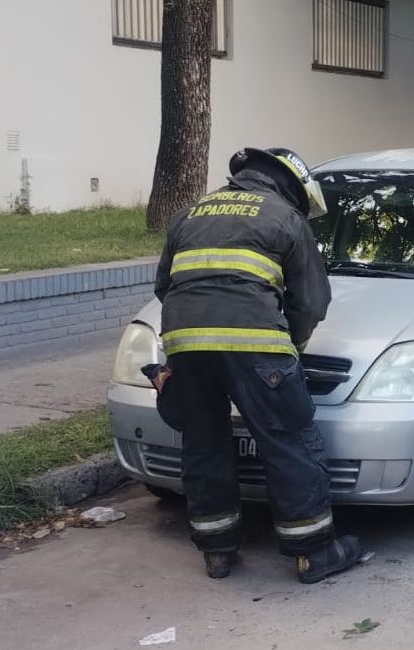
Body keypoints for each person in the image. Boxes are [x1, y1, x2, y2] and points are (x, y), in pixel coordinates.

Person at [150, 147, 366, 582]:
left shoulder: (189, 214)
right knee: (289, 437)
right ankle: (314, 551)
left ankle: (217, 550)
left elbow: (163, 287)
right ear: (292, 186)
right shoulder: (285, 217)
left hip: (184, 343)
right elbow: (311, 302)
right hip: (256, 345)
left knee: (204, 441)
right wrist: (292, 350)